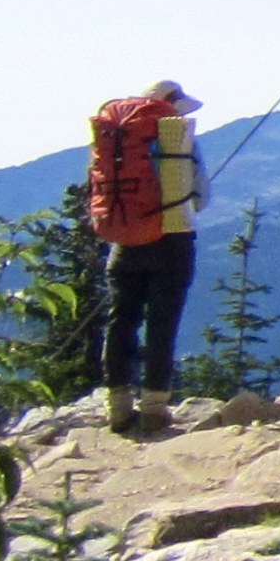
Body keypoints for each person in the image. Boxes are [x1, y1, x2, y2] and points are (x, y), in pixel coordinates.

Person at [84, 78, 209, 425]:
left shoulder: (113, 139)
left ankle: (118, 405)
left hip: (123, 241)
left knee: (121, 321)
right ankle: (154, 406)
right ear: (174, 106)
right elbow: (201, 198)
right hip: (172, 240)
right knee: (162, 322)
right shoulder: (178, 139)